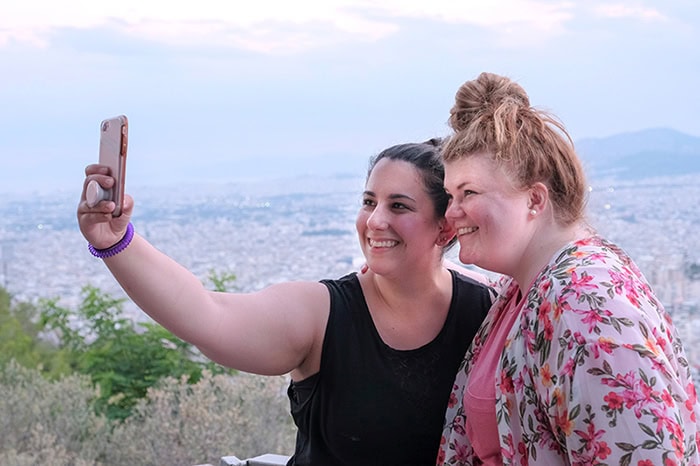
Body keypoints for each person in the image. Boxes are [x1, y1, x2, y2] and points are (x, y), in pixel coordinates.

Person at [77, 139, 494, 465]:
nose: (375, 220)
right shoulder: (322, 313)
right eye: (369, 202)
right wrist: (117, 243)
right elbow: (207, 314)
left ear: (444, 228)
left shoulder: (487, 311)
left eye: (398, 206)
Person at [437, 72, 700, 465]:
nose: (452, 212)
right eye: (450, 195)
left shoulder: (586, 304)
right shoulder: (528, 291)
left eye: (468, 193)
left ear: (534, 200)